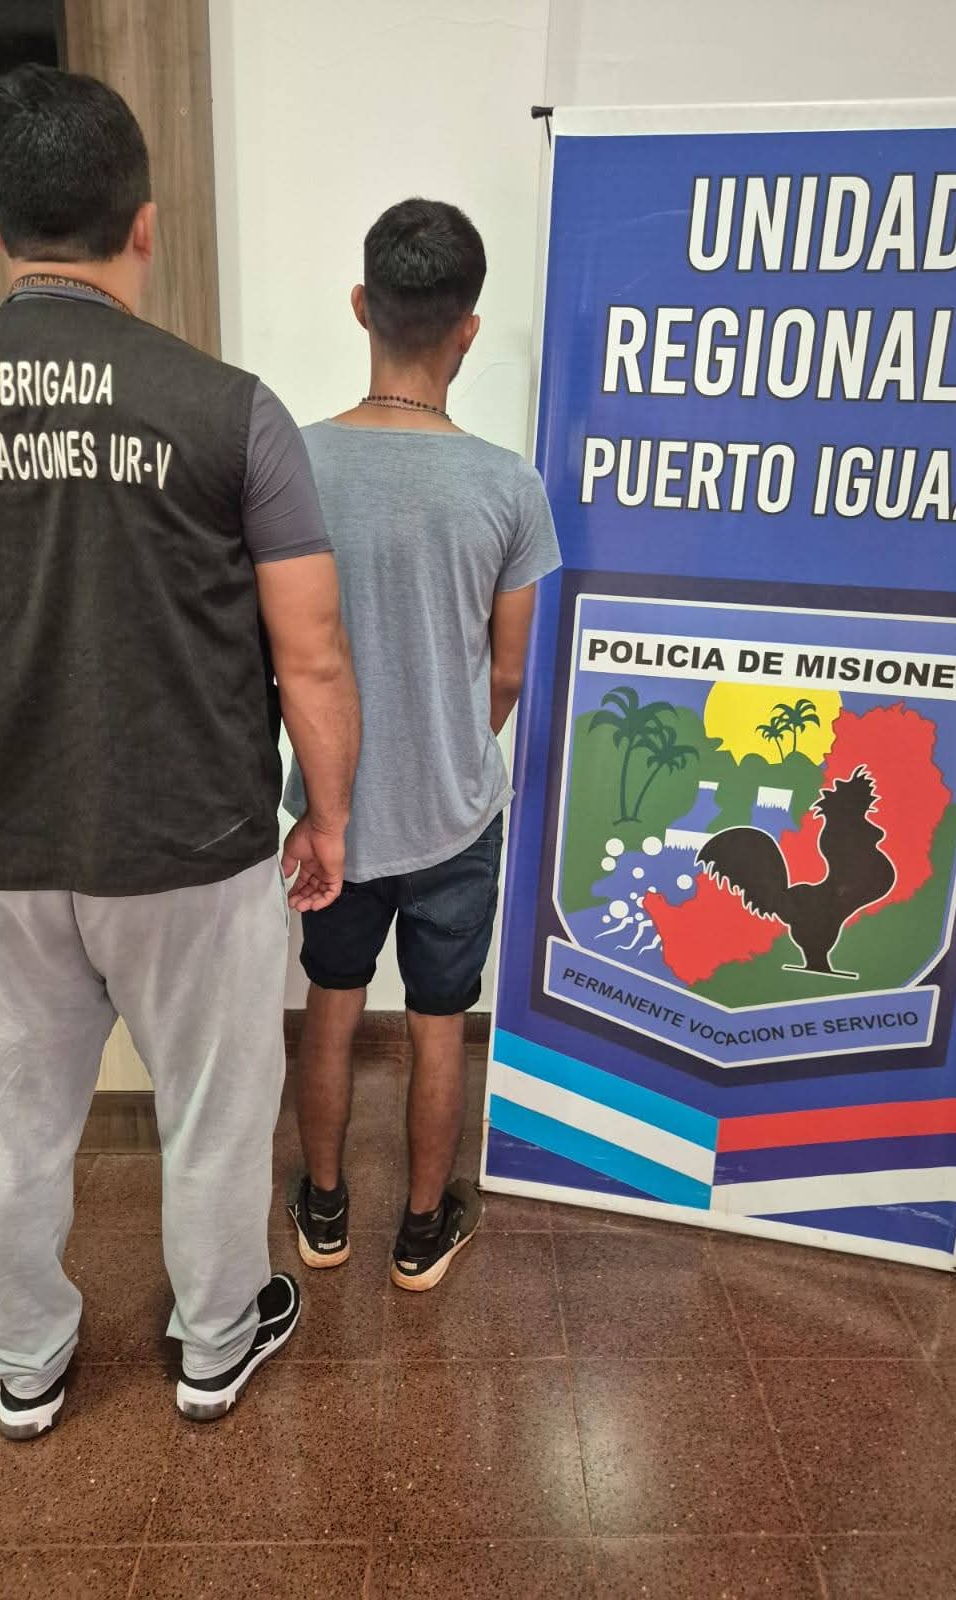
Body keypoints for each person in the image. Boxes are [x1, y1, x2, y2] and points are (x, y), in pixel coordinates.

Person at [0, 65, 360, 1438]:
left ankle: (26, 1364)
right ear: (144, 226)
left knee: (11, 1127)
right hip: (192, 846)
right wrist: (327, 817)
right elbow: (311, 655)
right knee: (216, 1119)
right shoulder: (232, 409)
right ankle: (214, 1345)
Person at [286, 198, 559, 1291]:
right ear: (469, 330)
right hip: (455, 815)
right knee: (440, 1021)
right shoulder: (509, 485)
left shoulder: (291, 464)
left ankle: (323, 1210)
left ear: (362, 306)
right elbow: (508, 672)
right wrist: (449, 746)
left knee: (331, 1004)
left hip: (333, 810)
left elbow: (273, 650)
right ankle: (420, 1231)